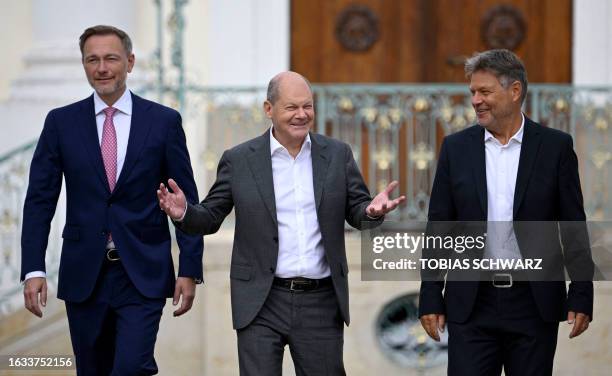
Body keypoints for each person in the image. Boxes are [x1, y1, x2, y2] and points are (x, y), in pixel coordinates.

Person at [157, 71, 405, 375]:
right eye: (291, 107)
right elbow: (210, 217)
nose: (302, 115)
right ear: (268, 109)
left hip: (321, 301)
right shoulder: (239, 160)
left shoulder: (337, 154)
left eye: (308, 106)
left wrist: (372, 211)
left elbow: (357, 210)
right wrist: (183, 213)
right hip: (260, 301)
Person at [21, 25, 203, 375]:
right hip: (83, 274)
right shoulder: (61, 123)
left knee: (131, 367)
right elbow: (39, 201)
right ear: (84, 65)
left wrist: (190, 268)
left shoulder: (163, 122)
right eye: (92, 60)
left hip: (142, 271)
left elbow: (185, 201)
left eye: (111, 58)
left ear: (130, 62)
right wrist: (33, 268)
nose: (102, 68)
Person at [418, 49, 594, 375]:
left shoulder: (555, 147)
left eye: (484, 91)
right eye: (472, 92)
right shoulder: (456, 148)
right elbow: (439, 226)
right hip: (471, 303)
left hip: (534, 302)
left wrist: (581, 291)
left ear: (514, 91)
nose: (475, 100)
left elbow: (572, 225)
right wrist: (430, 292)